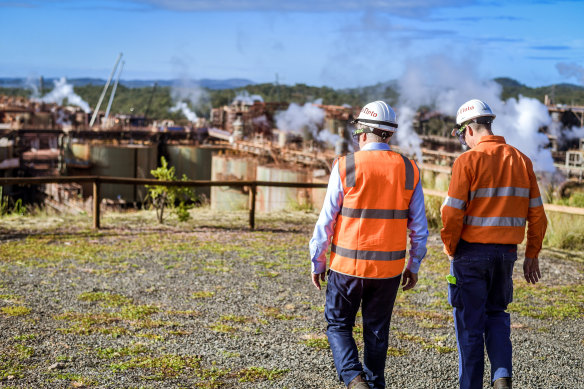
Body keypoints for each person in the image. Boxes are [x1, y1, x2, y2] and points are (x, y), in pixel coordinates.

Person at [309, 100, 429, 389]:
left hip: (346, 268)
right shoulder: (409, 170)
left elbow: (325, 223)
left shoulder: (344, 165)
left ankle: (353, 378)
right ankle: (373, 384)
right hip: (388, 271)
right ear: (389, 134)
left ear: (362, 133)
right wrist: (413, 266)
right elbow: (420, 230)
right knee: (376, 332)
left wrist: (318, 261)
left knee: (339, 326)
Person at [441, 99, 548, 389]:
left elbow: (452, 213)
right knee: (497, 317)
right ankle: (502, 378)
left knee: (470, 327)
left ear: (469, 129)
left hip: (470, 255)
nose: (463, 140)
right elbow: (537, 214)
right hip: (506, 256)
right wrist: (532, 254)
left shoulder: (467, 161)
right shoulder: (521, 160)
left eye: (461, 134)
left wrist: (450, 247)